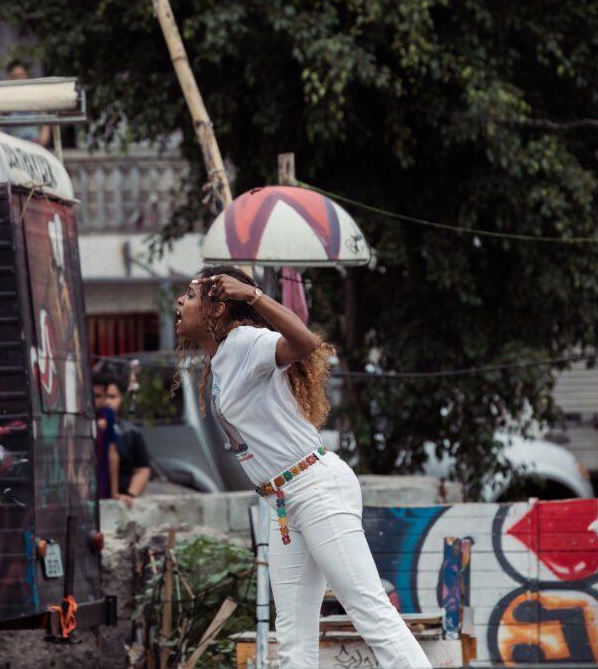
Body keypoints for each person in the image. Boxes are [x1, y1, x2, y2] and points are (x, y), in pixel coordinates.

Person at [174, 266, 432, 669]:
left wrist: (254, 295)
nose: (180, 301)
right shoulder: (223, 360)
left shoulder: (244, 341)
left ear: (218, 307)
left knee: (368, 610)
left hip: (315, 487)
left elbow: (306, 342)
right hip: (282, 502)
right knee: (294, 634)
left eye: (190, 295)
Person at [93, 371, 151, 507]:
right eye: (100, 396)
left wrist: (129, 495)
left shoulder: (131, 432)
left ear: (121, 399)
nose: (106, 401)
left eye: (112, 397)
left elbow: (142, 469)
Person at [1, 60, 52, 147]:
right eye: (15, 76)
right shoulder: (5, 97)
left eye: (21, 75)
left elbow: (45, 122)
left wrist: (42, 143)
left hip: (33, 143)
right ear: (11, 78)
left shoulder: (36, 95)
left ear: (26, 75)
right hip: (12, 144)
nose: (19, 79)